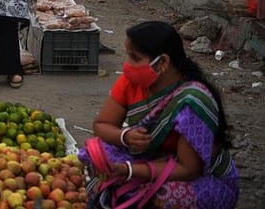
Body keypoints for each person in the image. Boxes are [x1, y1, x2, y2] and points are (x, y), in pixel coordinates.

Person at [79, 21, 239, 209]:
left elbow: (189, 169)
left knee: (163, 198)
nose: (127, 65)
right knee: (93, 155)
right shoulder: (131, 83)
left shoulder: (192, 100)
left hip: (200, 176)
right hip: (151, 159)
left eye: (135, 58)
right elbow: (102, 125)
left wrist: (130, 171)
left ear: (162, 62)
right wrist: (125, 136)